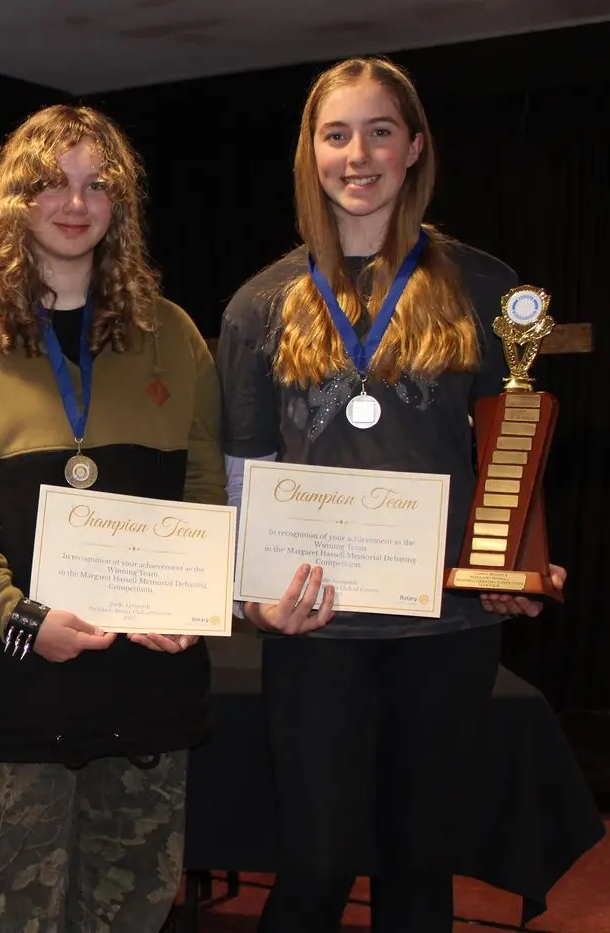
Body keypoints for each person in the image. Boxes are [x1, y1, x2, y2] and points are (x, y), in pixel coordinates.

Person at [216, 57, 568, 933]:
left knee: (419, 867)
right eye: (336, 133)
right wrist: (250, 595)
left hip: (446, 630)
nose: (357, 153)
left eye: (379, 131)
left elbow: (506, 442)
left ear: (413, 147)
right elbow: (242, 470)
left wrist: (514, 561)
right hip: (315, 625)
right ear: (311, 152)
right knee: (317, 862)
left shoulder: (486, 289)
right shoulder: (258, 305)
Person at [0, 104, 227, 933]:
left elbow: (200, 482)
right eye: (51, 183)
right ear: (15, 200)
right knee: (23, 919)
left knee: (133, 909)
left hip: (145, 686)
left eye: (97, 185)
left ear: (122, 203)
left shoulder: (174, 334)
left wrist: (186, 599)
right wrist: (20, 618)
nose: (75, 203)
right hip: (10, 684)